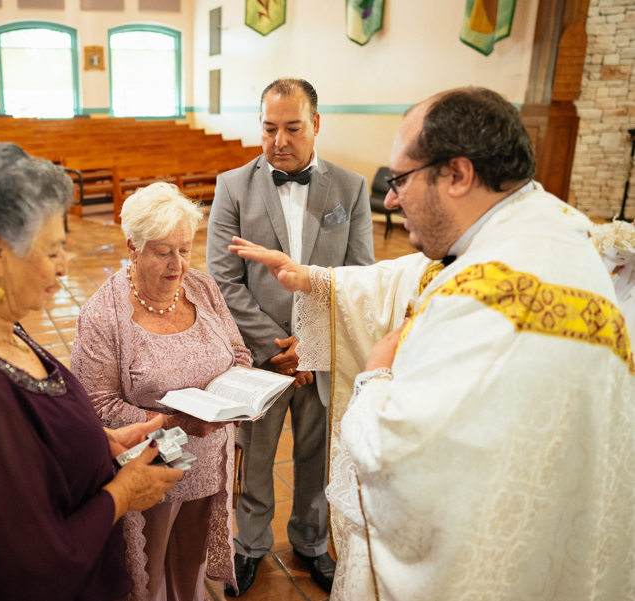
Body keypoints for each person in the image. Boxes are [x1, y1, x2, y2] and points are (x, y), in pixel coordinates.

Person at [230, 87, 635, 600]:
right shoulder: (543, 229)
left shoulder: (493, 303)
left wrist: (376, 374)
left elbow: (393, 448)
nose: (392, 199)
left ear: (458, 174)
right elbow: (414, 274)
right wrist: (313, 279)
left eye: (401, 179)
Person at [0, 143, 183, 601]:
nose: (64, 267)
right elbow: (30, 562)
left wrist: (97, 439)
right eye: (53, 250)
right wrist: (125, 492)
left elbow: (24, 431)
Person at [206, 77, 374, 595]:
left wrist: (314, 345)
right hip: (263, 356)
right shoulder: (233, 186)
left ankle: (310, 542)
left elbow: (359, 274)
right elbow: (222, 279)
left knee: (317, 454)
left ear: (316, 125)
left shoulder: (350, 188)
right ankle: (250, 546)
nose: (279, 140)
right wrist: (279, 346)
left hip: (325, 354)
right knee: (254, 456)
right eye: (269, 128)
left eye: (293, 128)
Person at [72, 182, 251, 600]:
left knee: (191, 571)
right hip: (151, 462)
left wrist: (243, 389)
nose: (178, 264)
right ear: (133, 248)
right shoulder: (104, 313)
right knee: (146, 579)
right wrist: (172, 422)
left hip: (209, 457)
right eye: (163, 251)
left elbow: (238, 352)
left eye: (185, 249)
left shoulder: (203, 289)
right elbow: (97, 404)